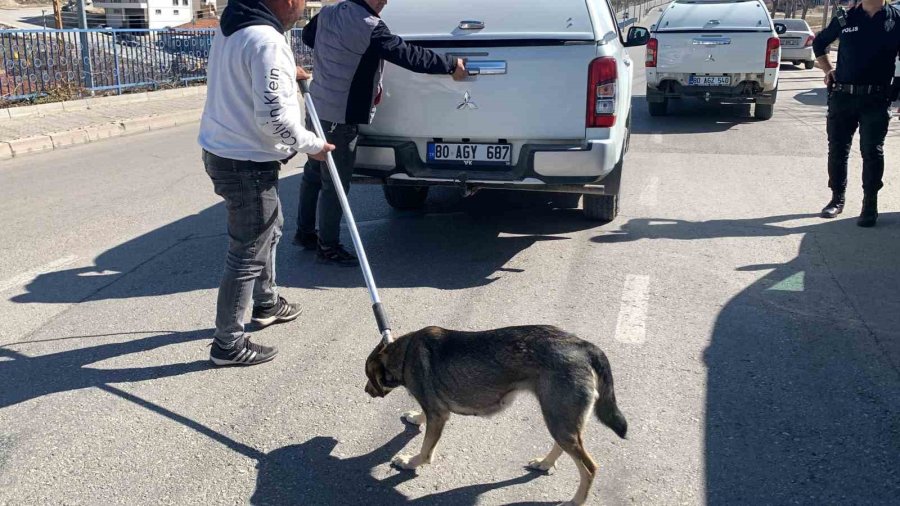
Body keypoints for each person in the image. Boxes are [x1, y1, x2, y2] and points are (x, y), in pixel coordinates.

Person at [198, 0, 335, 366]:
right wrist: (313, 146)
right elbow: (274, 119)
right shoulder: (266, 40)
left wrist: (290, 72)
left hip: (225, 151)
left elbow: (254, 79)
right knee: (247, 251)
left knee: (270, 231)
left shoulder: (234, 26)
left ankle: (267, 302)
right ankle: (227, 343)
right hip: (246, 162)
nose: (303, 6)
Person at [294, 0, 468, 265]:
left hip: (317, 106)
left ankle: (305, 233)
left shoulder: (329, 12)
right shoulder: (370, 27)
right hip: (340, 117)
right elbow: (409, 56)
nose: (386, 3)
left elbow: (308, 36)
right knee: (335, 184)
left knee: (314, 172)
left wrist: (335, 53)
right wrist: (450, 63)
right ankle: (327, 246)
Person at [813, 0, 900, 227]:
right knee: (838, 150)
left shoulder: (896, 19)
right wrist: (828, 69)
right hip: (843, 96)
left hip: (876, 98)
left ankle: (870, 204)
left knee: (872, 152)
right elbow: (819, 43)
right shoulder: (845, 18)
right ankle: (837, 198)